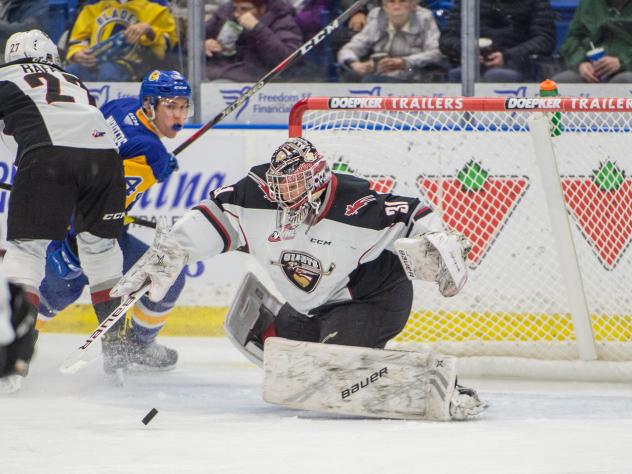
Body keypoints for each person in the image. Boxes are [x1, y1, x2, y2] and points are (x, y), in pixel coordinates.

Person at [109, 137, 487, 420]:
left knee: (333, 371)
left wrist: (439, 243)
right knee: (276, 352)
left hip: (371, 299)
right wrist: (168, 255)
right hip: (312, 305)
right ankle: (345, 353)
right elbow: (215, 216)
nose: (278, 193)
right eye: (277, 184)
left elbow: (416, 212)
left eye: (289, 185)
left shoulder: (355, 205)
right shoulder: (256, 193)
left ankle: (439, 386)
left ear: (317, 179)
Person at [38, 70, 191, 374]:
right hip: (86, 232)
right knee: (53, 296)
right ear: (150, 104)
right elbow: (104, 203)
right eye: (171, 106)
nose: (179, 115)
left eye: (184, 106)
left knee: (49, 298)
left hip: (63, 214)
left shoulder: (120, 107)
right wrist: (156, 168)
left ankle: (136, 346)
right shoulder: (151, 153)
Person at [0, 29, 126, 388]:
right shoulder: (74, 81)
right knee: (101, 250)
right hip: (105, 160)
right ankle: (118, 356)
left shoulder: (6, 77)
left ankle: (12, 363)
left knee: (27, 251)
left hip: (48, 158)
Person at [439, 0, 556, 82]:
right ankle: (459, 117)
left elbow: (545, 39)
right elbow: (447, 39)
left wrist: (507, 57)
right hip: (472, 65)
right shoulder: (467, 2)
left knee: (496, 75)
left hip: (519, 66)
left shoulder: (536, 2)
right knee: (461, 74)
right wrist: (468, 51)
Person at [65, 0, 178, 81]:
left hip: (136, 67)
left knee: (108, 72)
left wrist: (150, 30)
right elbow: (77, 40)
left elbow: (168, 46)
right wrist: (77, 53)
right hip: (93, 62)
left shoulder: (158, 5)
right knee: (70, 72)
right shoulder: (93, 4)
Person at [337, 0, 445, 83]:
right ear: (384, 5)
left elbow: (437, 53)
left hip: (414, 75)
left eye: (402, 1)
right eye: (391, 1)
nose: (396, 6)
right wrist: (354, 63)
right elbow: (351, 47)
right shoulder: (377, 16)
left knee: (371, 81)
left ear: (412, 4)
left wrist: (405, 62)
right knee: (351, 75)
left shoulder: (424, 17)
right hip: (380, 75)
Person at [204, 0, 302, 82]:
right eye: (235, 8)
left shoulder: (282, 21)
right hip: (214, 73)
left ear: (262, 9)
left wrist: (257, 28)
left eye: (245, 9)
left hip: (257, 81)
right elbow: (195, 38)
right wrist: (203, 45)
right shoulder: (225, 13)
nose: (237, 14)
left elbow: (286, 60)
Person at [553, 0, 632, 83]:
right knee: (563, 81)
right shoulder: (589, 3)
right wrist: (580, 63)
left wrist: (622, 62)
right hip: (592, 66)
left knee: (625, 81)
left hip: (627, 68)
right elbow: (573, 39)